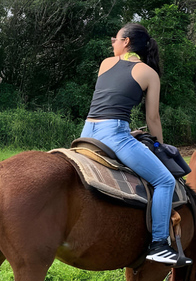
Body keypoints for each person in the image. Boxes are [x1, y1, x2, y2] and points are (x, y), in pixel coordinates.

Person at [81, 23, 190, 266]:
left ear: (126, 42)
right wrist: (160, 148)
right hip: (115, 134)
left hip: (88, 131)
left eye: (115, 39)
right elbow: (153, 118)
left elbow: (106, 103)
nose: (113, 43)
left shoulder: (105, 64)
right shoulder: (149, 73)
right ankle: (160, 244)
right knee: (164, 180)